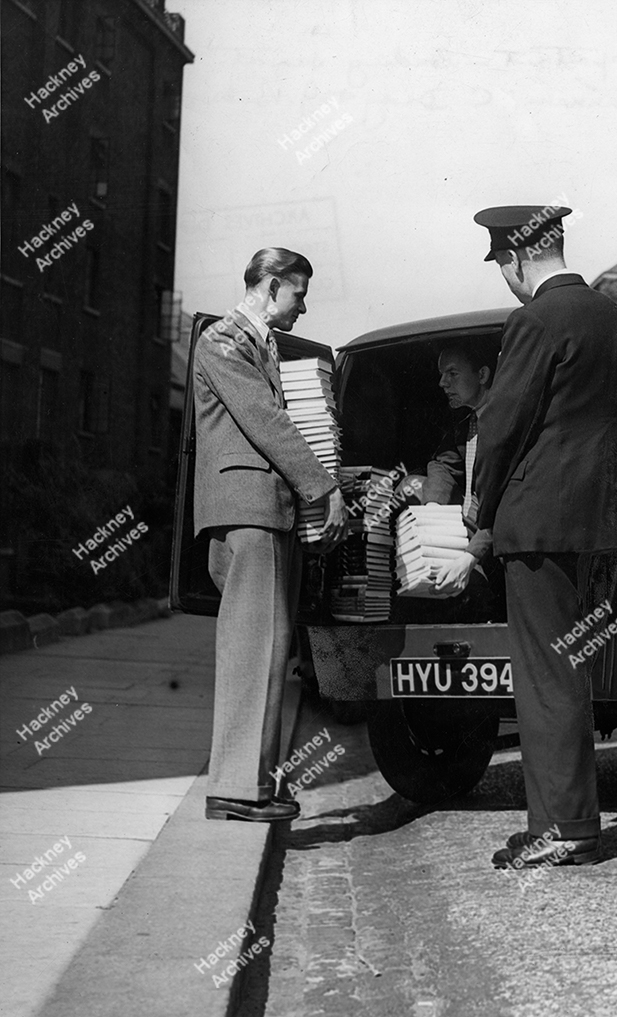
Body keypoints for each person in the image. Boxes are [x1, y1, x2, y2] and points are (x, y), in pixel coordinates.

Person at [472, 204, 617, 868]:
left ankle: (562, 829)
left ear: (516, 259)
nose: (505, 278)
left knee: (543, 673)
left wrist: (481, 506)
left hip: (540, 521)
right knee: (572, 667)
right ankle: (567, 820)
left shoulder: (533, 320)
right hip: (604, 522)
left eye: (503, 265)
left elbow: (502, 425)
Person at [193, 247, 348, 822]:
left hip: (260, 508)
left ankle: (249, 782)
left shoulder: (255, 343)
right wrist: (323, 487)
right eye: (299, 294)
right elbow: (266, 419)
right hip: (250, 509)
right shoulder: (226, 341)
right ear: (272, 284)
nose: (303, 308)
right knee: (258, 647)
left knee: (264, 646)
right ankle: (237, 789)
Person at [395, 345, 499, 606]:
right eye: (442, 374)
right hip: (467, 525)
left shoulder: (504, 422)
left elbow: (501, 500)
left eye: (452, 373)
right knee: (410, 486)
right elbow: (443, 463)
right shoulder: (465, 422)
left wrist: (471, 553)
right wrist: (432, 513)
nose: (442, 383)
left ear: (483, 375)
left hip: (495, 529)